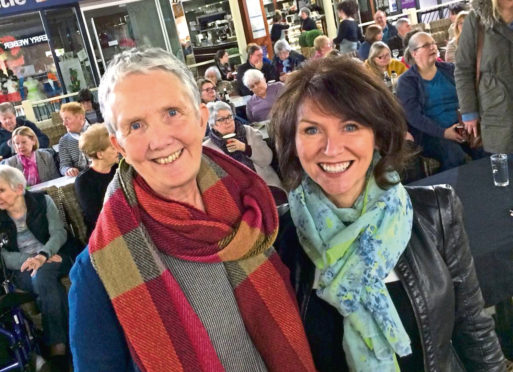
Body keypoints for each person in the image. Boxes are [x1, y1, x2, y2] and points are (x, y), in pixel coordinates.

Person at [68, 47, 316, 372]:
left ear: (201, 119)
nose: (159, 139)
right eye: (136, 125)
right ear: (119, 147)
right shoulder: (99, 272)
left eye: (172, 112)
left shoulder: (258, 217)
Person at [270, 56, 506, 372]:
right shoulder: (277, 241)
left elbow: (474, 328)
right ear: (292, 140)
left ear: (378, 134)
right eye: (312, 130)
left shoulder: (436, 212)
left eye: (350, 126)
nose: (331, 148)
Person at [0, 165, 73, 371]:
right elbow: (3, 257)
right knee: (42, 278)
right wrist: (31, 259)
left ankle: (56, 348)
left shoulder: (42, 201)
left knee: (43, 275)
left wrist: (43, 256)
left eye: (1, 190)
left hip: (55, 255)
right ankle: (63, 347)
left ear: (19, 188)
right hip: (23, 267)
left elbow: (59, 233)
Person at [397, 32, 484, 171]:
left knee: (487, 149)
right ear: (414, 53)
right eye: (426, 45)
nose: (433, 47)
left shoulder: (449, 69)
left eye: (433, 43)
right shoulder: (407, 81)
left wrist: (471, 119)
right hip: (431, 133)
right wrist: (444, 132)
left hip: (463, 125)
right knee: (454, 156)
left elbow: (470, 95)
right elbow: (413, 116)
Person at [455, 0, 513, 153]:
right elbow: (463, 69)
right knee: (505, 169)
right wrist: (469, 112)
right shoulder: (477, 19)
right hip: (497, 108)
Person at [203, 101, 283, 192]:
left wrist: (246, 148)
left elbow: (267, 159)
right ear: (213, 125)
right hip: (235, 193)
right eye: (221, 119)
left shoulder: (249, 132)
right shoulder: (208, 148)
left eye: (229, 117)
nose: (228, 122)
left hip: (264, 185)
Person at [75, 124, 118, 238]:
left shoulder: (120, 168)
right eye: (113, 147)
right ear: (100, 154)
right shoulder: (84, 180)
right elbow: (95, 217)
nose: (118, 149)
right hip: (103, 234)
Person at [58, 102, 89, 177]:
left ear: (81, 117)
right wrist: (68, 170)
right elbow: (63, 166)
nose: (64, 123)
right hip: (80, 178)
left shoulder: (97, 132)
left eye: (67, 119)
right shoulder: (64, 141)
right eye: (63, 119)